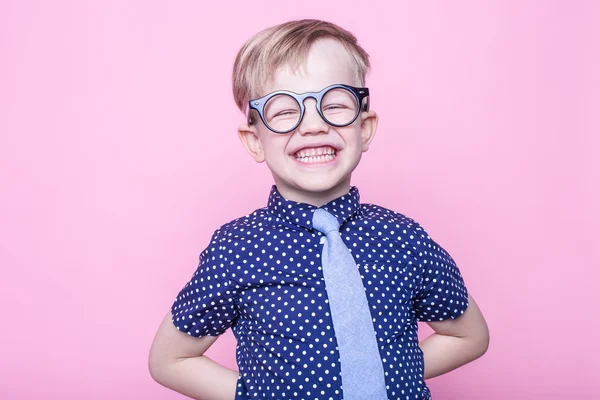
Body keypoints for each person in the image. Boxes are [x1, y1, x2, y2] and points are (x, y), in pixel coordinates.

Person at [149, 19, 489, 400]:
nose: (313, 125)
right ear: (254, 141)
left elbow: (469, 334)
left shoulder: (404, 239)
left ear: (365, 129)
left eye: (335, 104)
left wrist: (383, 369)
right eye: (282, 111)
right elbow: (170, 360)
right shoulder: (236, 250)